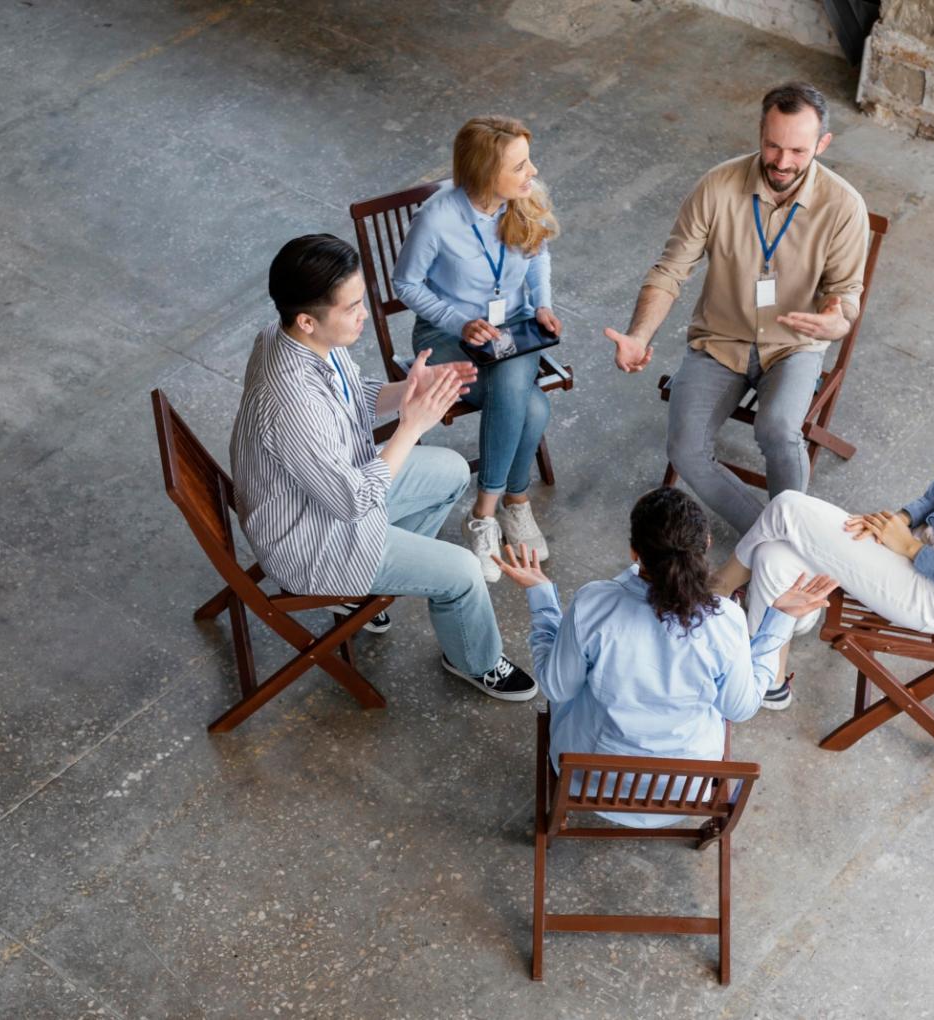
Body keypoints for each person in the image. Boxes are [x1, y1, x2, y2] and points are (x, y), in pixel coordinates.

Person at [230, 233, 537, 701]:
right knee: (461, 572)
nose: (363, 316)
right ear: (308, 320)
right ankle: (473, 659)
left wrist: (409, 389)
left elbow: (353, 396)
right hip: (313, 541)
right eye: (351, 308)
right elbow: (353, 501)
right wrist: (410, 426)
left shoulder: (289, 336)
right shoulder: (290, 399)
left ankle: (366, 590)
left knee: (452, 470)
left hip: (323, 499)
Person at [604, 82, 869, 535]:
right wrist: (640, 335)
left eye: (799, 151)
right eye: (772, 145)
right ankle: (773, 537)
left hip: (793, 347)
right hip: (719, 340)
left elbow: (845, 297)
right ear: (760, 132)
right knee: (684, 450)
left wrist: (832, 321)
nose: (782, 163)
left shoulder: (845, 207)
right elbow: (670, 270)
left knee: (779, 431)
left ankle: (787, 535)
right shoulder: (717, 186)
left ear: (823, 143)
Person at [496, 487, 833, 825]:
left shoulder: (594, 604)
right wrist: (779, 622)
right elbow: (739, 708)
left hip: (591, 782)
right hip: (684, 791)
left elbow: (557, 688)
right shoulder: (726, 621)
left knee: (575, 681)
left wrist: (542, 600)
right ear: (707, 544)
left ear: (634, 552)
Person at [392, 115, 561, 581]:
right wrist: (459, 322)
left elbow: (538, 254)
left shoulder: (522, 201)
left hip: (511, 328)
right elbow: (405, 283)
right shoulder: (437, 218)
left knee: (512, 377)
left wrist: (542, 305)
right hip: (446, 336)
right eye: (520, 166)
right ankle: (511, 500)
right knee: (532, 408)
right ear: (488, 174)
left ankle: (484, 514)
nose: (533, 173)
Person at [714, 475, 934, 709]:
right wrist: (901, 519)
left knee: (786, 508)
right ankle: (771, 683)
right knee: (773, 556)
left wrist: (910, 547)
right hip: (914, 540)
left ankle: (712, 595)